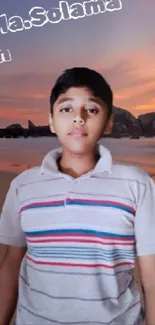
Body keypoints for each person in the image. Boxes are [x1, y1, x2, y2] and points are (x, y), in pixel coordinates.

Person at [0, 67, 155, 325]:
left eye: (91, 109)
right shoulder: (23, 186)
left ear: (108, 122)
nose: (79, 118)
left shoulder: (136, 184)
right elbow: (10, 265)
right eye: (66, 109)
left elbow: (152, 277)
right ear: (51, 120)